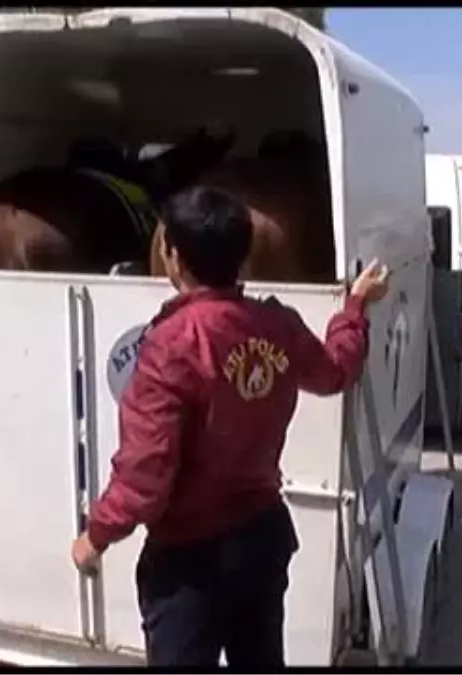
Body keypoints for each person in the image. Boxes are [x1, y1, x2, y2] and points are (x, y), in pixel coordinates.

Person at [68, 185, 391, 665]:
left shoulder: (170, 344)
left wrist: (95, 536)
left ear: (171, 255)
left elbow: (146, 472)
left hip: (189, 561)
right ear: (242, 255)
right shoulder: (277, 324)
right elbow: (335, 371)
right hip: (261, 541)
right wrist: (355, 308)